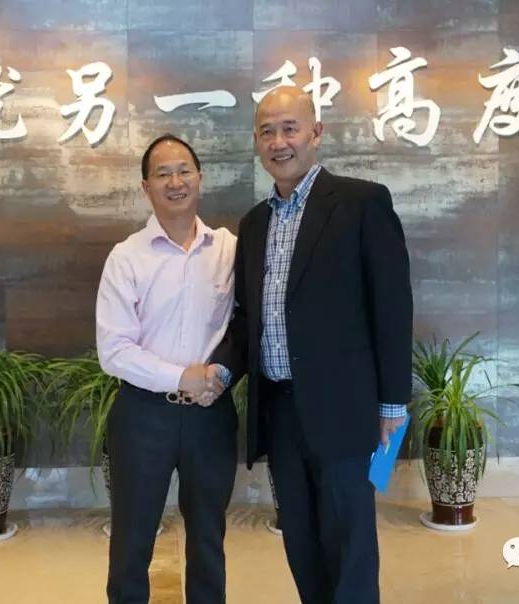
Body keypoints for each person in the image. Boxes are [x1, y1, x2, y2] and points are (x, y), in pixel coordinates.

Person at [211, 86, 413, 603]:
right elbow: (248, 318)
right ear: (256, 141)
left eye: (290, 129)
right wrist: (222, 369)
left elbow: (392, 307)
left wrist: (393, 405)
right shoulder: (254, 223)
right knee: (300, 541)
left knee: (349, 546)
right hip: (280, 412)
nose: (279, 142)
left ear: (316, 133)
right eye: (267, 132)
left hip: (345, 411)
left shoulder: (361, 203)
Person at [96, 134, 235, 604]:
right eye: (163, 174)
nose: (175, 182)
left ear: (199, 178)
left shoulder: (229, 249)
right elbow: (113, 350)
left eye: (184, 171)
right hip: (143, 415)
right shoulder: (126, 257)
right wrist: (180, 378)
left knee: (209, 538)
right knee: (132, 539)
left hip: (211, 416)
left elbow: (246, 325)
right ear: (146, 187)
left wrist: (218, 375)